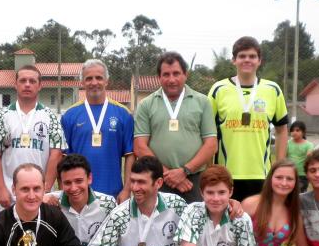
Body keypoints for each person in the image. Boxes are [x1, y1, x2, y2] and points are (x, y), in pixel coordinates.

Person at [208, 36, 289, 201]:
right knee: (226, 225)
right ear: (234, 60)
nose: (247, 60)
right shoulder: (219, 89)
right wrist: (210, 169)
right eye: (242, 56)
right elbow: (208, 133)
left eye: (252, 56)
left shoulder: (272, 90)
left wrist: (279, 166)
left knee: (258, 225)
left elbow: (282, 130)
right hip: (225, 175)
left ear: (259, 61)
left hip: (261, 174)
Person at [134, 52, 218, 203]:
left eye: (176, 73)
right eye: (166, 74)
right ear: (159, 77)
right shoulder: (146, 105)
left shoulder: (202, 102)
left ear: (185, 75)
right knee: (159, 226)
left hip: (194, 180)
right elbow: (140, 146)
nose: (171, 79)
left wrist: (185, 171)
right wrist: (168, 174)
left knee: (195, 225)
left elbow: (211, 145)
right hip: (158, 179)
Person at [0, 65, 66, 209]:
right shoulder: (2, 116)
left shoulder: (50, 116)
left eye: (32, 81)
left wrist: (45, 189)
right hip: (10, 193)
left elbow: (56, 153)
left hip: (40, 195)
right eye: (23, 80)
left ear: (40, 85)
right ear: (15, 84)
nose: (27, 84)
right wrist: (1, 187)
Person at [61, 59, 134, 202]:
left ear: (106, 81)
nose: (94, 82)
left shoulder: (123, 114)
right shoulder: (70, 115)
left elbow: (130, 155)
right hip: (79, 194)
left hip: (113, 194)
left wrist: (126, 190)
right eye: (89, 78)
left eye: (99, 78)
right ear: (82, 83)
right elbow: (62, 158)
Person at [286, 121, 314, 192]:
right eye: (292, 130)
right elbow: (283, 156)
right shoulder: (287, 143)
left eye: (297, 130)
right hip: (289, 172)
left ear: (303, 132)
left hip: (302, 174)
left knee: (300, 193)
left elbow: (309, 156)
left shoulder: (309, 145)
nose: (294, 132)